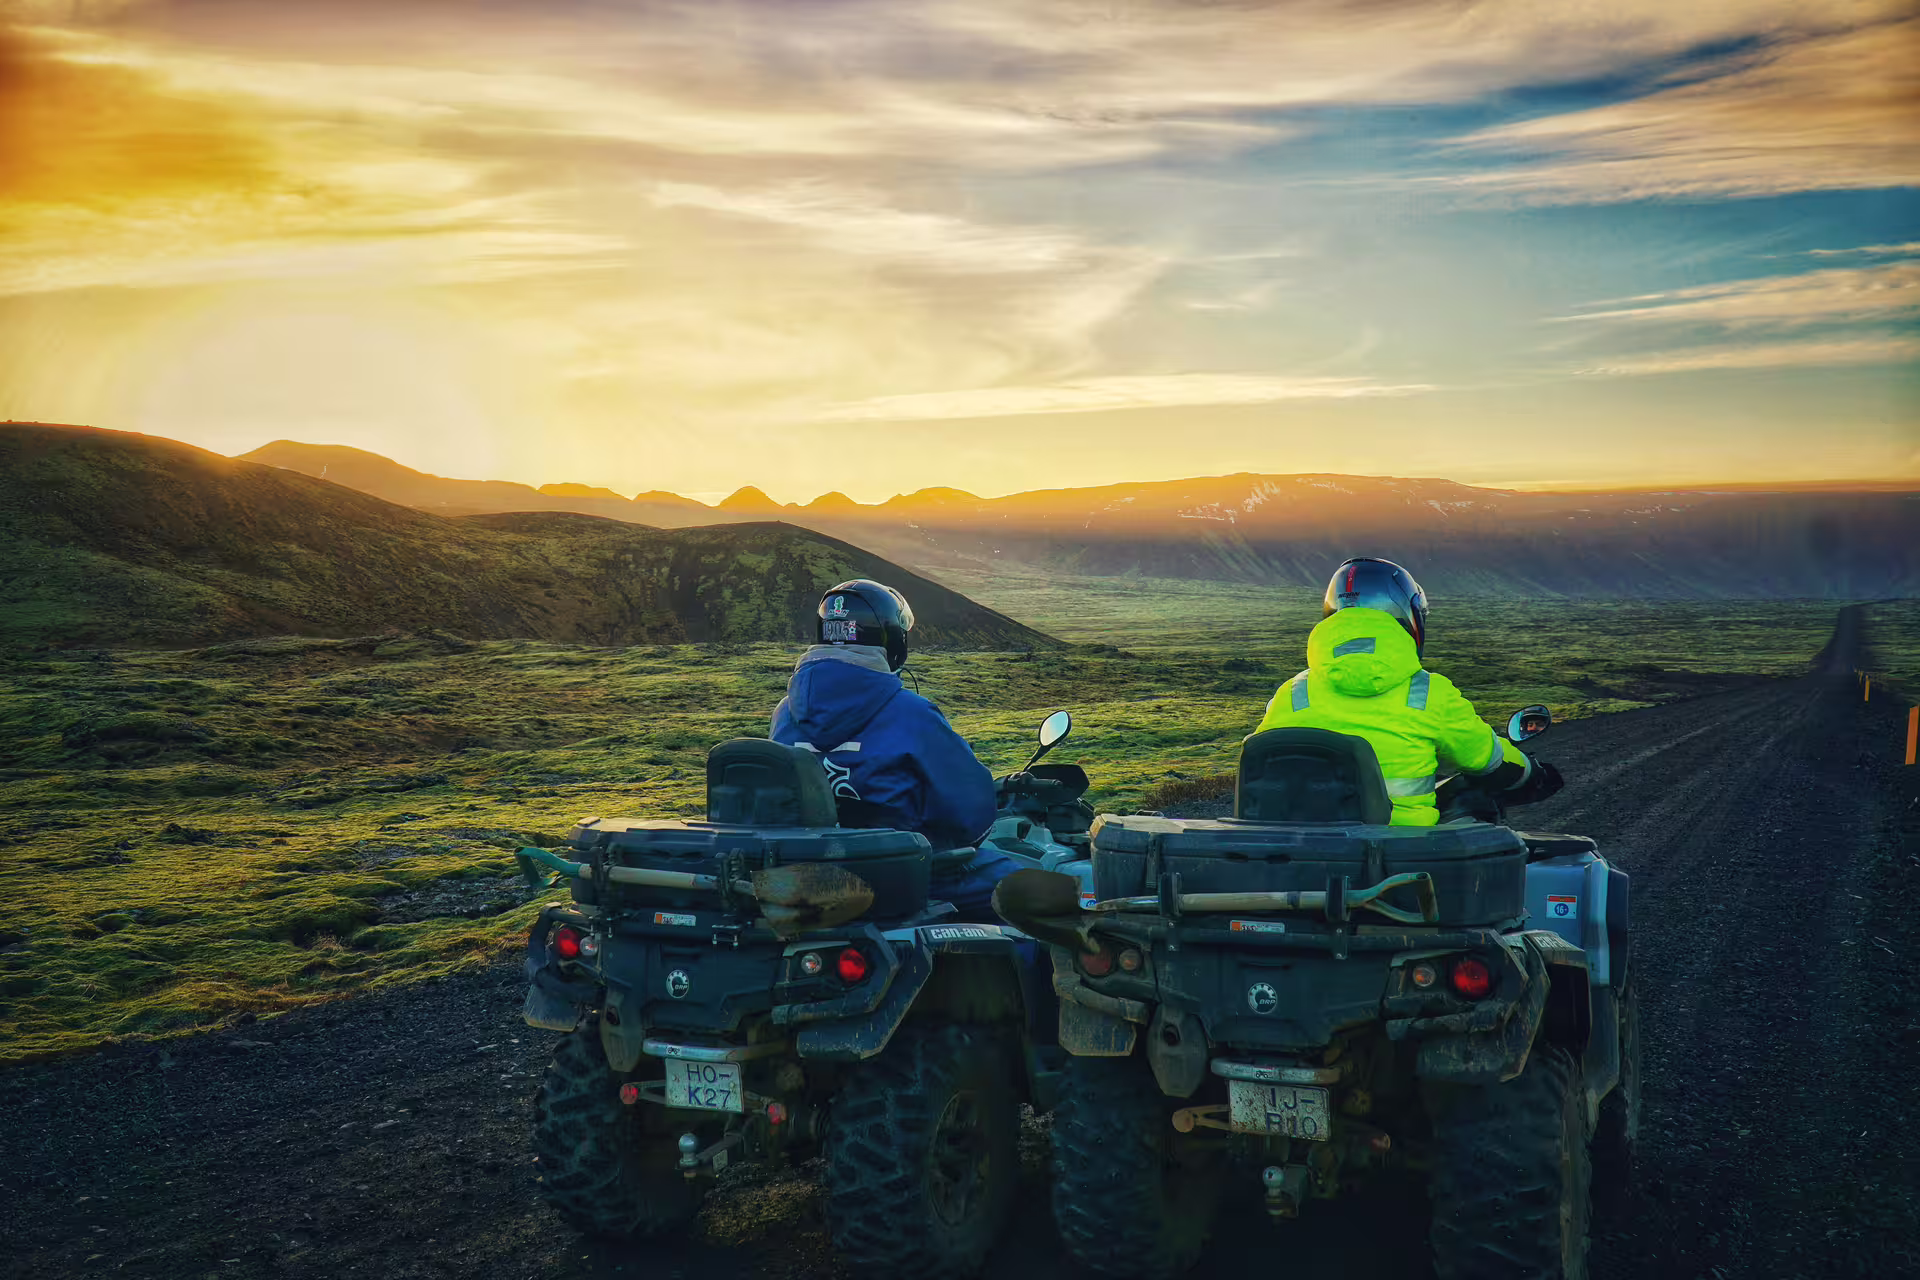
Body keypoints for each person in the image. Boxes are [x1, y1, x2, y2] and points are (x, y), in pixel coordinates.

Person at [771, 579, 1014, 918]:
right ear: (894, 640)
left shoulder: (785, 711)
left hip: (807, 876)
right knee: (1029, 889)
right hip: (902, 877)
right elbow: (969, 818)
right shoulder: (911, 712)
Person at [1255, 557, 1546, 825]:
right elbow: (1489, 759)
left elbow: (1259, 770)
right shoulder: (1429, 693)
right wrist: (1533, 773)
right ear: (1410, 616)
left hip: (1305, 860)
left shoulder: (1291, 694)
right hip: (1406, 860)